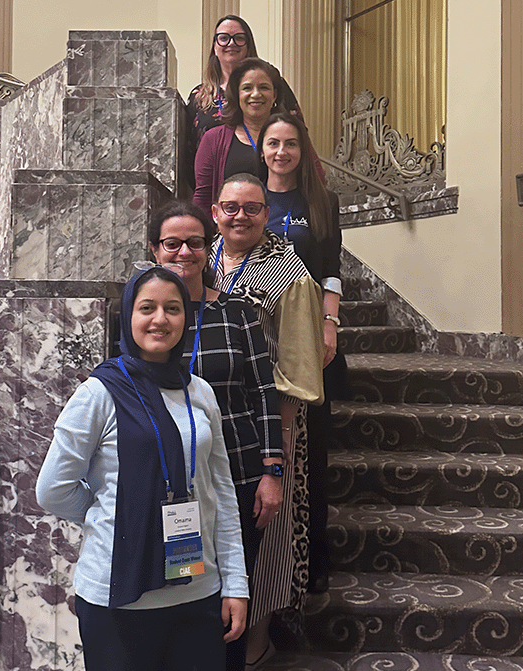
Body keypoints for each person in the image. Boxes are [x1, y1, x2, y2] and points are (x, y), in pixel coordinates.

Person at [35, 266, 248, 671]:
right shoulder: (98, 394)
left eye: (173, 308)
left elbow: (220, 493)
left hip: (198, 592)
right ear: (128, 316)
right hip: (117, 598)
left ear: (186, 318)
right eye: (146, 307)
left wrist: (236, 585)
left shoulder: (198, 392)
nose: (160, 319)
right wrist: (120, 518)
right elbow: (53, 489)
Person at [148, 199, 284, 671]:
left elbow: (265, 394)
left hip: (242, 474)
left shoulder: (239, 313)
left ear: (209, 249)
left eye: (195, 242)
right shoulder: (147, 315)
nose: (183, 252)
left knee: (233, 589)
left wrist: (274, 470)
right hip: (173, 480)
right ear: (154, 249)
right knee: (183, 586)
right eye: (172, 243)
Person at [209, 173, 325, 668]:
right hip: (208, 419)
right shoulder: (200, 257)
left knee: (267, 535)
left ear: (266, 214)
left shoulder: (287, 273)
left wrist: (277, 446)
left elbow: (300, 364)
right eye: (230, 207)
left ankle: (256, 643)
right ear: (215, 211)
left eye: (252, 208)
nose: (240, 216)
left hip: (266, 419)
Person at [258, 112, 349, 594]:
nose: (281, 152)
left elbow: (331, 268)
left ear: (301, 150)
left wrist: (330, 325)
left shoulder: (322, 201)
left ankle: (311, 560)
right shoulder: (248, 198)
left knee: (311, 450)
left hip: (308, 337)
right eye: (273, 143)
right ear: (262, 149)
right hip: (259, 339)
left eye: (290, 144)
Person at [186, 15, 304, 155]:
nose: (231, 43)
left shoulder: (274, 84)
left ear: (249, 46)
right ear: (214, 48)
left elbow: (299, 134)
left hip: (269, 170)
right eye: (223, 38)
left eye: (239, 38)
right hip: (214, 174)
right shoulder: (199, 95)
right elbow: (187, 148)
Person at [193, 57, 282, 216]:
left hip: (285, 231)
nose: (256, 94)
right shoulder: (213, 140)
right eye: (247, 88)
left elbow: (315, 186)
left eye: (264, 87)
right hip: (232, 232)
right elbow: (202, 199)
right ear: (237, 94)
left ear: (274, 95)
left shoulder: (293, 137)